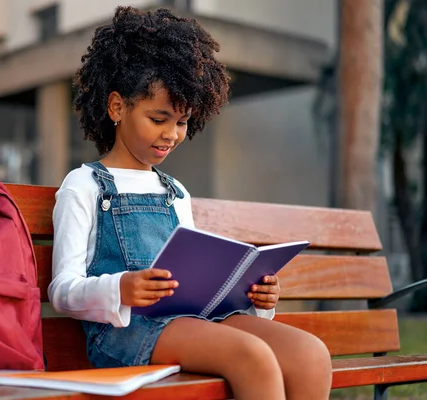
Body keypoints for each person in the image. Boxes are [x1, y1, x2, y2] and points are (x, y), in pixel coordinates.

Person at [48, 6, 332, 399]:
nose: (171, 134)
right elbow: (62, 290)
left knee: (309, 354)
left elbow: (198, 282)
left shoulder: (175, 192)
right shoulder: (84, 185)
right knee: (252, 356)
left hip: (194, 319)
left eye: (181, 122)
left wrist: (255, 299)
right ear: (117, 107)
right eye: (158, 118)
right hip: (125, 334)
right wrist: (120, 288)